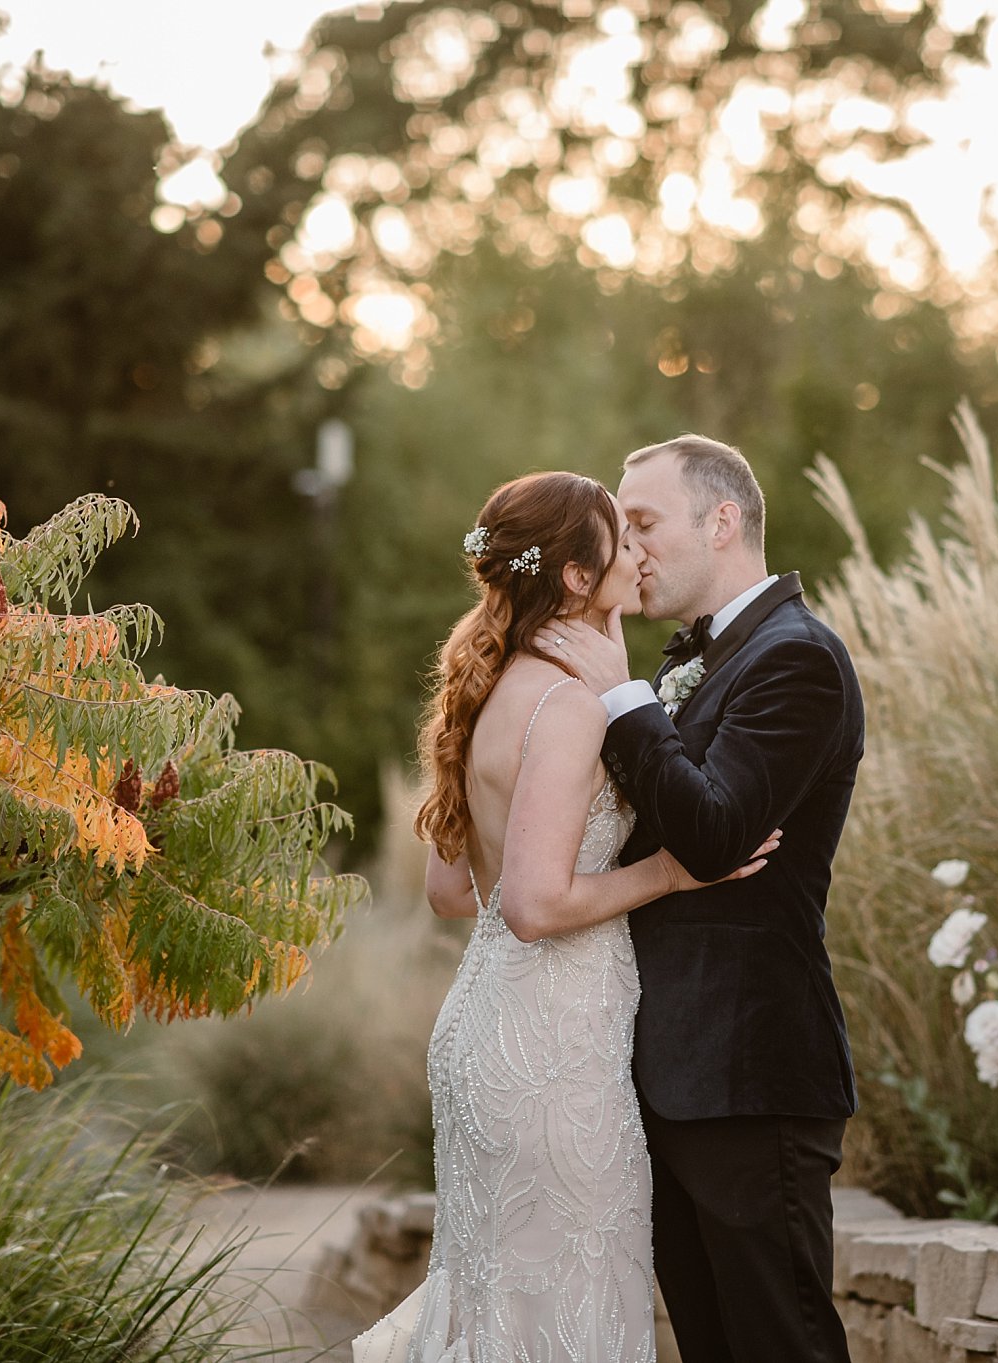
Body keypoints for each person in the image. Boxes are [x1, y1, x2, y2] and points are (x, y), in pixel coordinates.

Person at [354, 470, 779, 1363]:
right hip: (554, 1055)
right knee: (564, 1313)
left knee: (501, 1305)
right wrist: (669, 871)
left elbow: (449, 894)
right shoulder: (571, 705)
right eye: (622, 539)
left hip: (482, 1029)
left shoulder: (485, 688)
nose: (639, 552)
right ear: (579, 576)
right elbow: (536, 902)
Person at [533, 435, 865, 1363]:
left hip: (750, 1073)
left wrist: (624, 700)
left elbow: (716, 835)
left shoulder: (797, 659)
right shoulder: (705, 659)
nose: (629, 551)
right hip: (667, 1074)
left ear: (723, 522)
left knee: (780, 1345)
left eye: (643, 523)